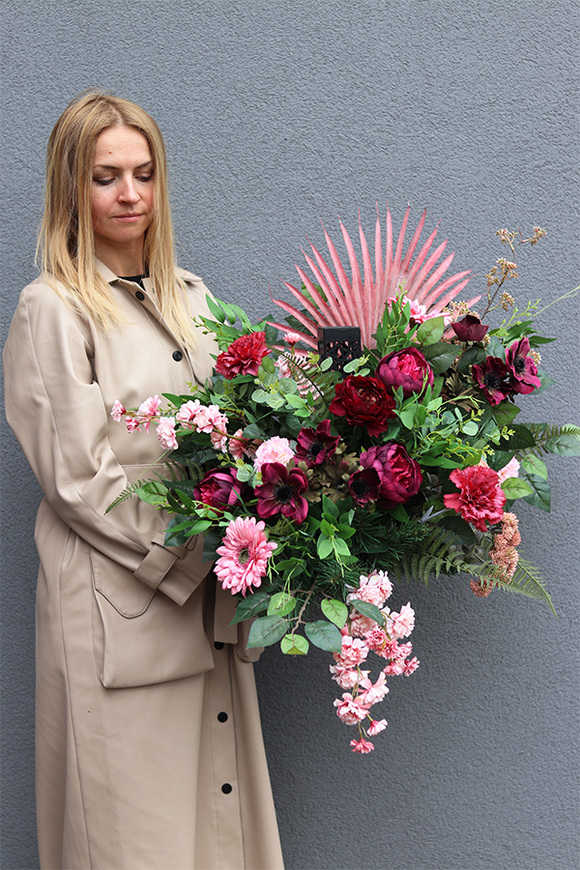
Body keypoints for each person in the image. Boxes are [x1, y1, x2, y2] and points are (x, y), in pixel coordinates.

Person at [3, 91, 284, 870]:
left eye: (144, 173)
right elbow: (79, 480)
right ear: (71, 189)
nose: (129, 194)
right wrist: (209, 556)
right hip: (121, 614)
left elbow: (241, 437)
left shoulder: (193, 301)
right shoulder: (52, 311)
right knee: (135, 841)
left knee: (215, 837)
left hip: (206, 617)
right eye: (105, 177)